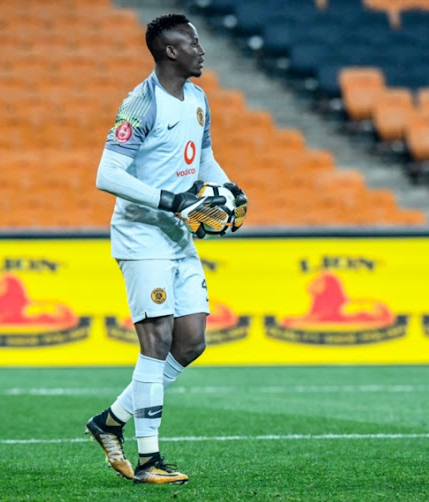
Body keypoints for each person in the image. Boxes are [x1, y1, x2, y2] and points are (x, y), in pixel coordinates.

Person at [85, 13, 248, 485]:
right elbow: (107, 175)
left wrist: (227, 186)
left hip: (178, 235)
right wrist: (172, 200)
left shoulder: (197, 98)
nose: (202, 50)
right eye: (193, 43)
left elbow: (205, 155)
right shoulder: (140, 103)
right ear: (170, 51)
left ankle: (110, 421)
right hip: (142, 235)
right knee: (154, 342)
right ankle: (149, 458)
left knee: (192, 340)